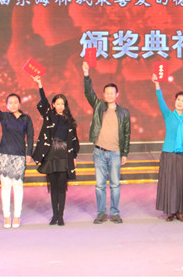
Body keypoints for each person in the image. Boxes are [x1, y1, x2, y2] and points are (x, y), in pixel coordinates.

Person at [83, 61, 131, 224]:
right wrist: (86, 75)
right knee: (100, 185)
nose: (109, 95)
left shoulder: (124, 112)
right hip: (99, 152)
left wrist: (125, 153)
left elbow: (127, 133)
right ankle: (101, 213)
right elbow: (88, 92)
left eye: (112, 93)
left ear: (117, 95)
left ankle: (115, 213)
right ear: (103, 95)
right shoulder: (98, 106)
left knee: (115, 184)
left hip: (116, 153)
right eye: (107, 93)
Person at [0, 83, 34, 228]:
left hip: (19, 156)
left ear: (20, 103)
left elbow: (30, 136)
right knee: (5, 187)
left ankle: (17, 216)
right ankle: (7, 216)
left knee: (18, 186)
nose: (13, 104)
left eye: (15, 102)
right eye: (10, 102)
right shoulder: (4, 116)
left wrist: (29, 154)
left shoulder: (26, 118)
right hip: (5, 154)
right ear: (6, 105)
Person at [32, 75, 80, 226]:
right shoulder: (49, 116)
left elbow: (74, 141)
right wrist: (40, 85)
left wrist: (73, 157)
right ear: (53, 105)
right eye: (57, 103)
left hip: (64, 155)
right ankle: (54, 215)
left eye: (62, 104)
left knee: (61, 187)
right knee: (53, 187)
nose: (60, 106)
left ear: (65, 106)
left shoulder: (70, 121)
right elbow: (43, 103)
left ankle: (61, 216)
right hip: (51, 155)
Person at [152, 74, 183, 222]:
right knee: (169, 182)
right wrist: (157, 84)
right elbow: (160, 100)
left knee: (181, 183)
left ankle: (180, 211)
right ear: (175, 101)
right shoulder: (168, 115)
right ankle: (170, 211)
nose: (180, 102)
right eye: (178, 99)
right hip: (168, 153)